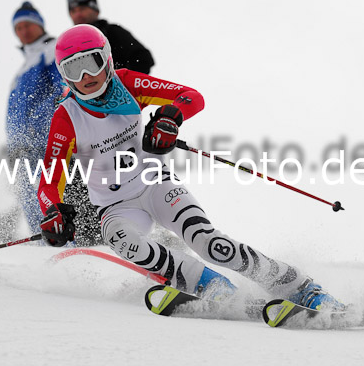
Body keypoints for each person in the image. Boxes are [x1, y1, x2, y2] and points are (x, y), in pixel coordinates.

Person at [36, 24, 345, 311]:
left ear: (107, 59)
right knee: (128, 243)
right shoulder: (67, 118)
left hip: (156, 184)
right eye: (74, 68)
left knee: (211, 243)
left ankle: (301, 287)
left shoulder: (127, 83)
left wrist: (171, 118)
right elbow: (50, 178)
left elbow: (191, 97)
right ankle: (215, 288)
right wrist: (52, 211)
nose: (87, 75)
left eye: (92, 62)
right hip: (114, 206)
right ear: (65, 75)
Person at [4, 1, 101, 246]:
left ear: (40, 25)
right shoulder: (21, 69)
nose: (23, 31)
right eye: (18, 28)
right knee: (32, 202)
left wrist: (44, 125)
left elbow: (65, 87)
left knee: (54, 199)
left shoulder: (51, 51)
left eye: (28, 25)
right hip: (22, 149)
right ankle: (46, 257)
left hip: (49, 141)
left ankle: (74, 249)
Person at [67, 0, 155, 74]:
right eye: (73, 11)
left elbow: (143, 58)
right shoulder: (69, 44)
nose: (78, 14)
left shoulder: (112, 32)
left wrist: (124, 82)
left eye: (82, 9)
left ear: (95, 10)